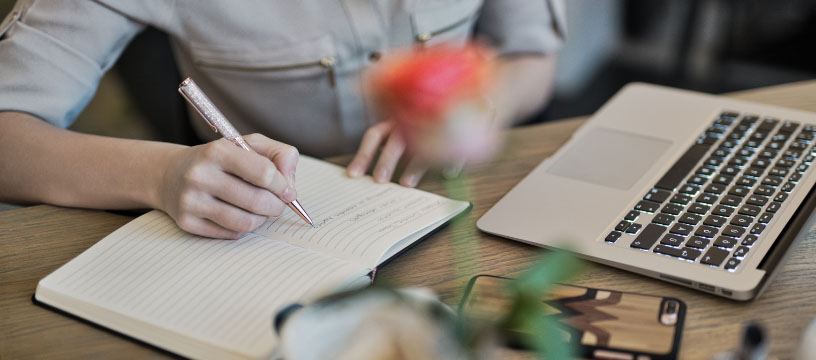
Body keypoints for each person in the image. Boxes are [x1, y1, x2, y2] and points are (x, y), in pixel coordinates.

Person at [0, 1, 566, 239]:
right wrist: (159, 175)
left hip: (458, 207)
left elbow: (533, 57)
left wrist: (480, 107)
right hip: (262, 235)